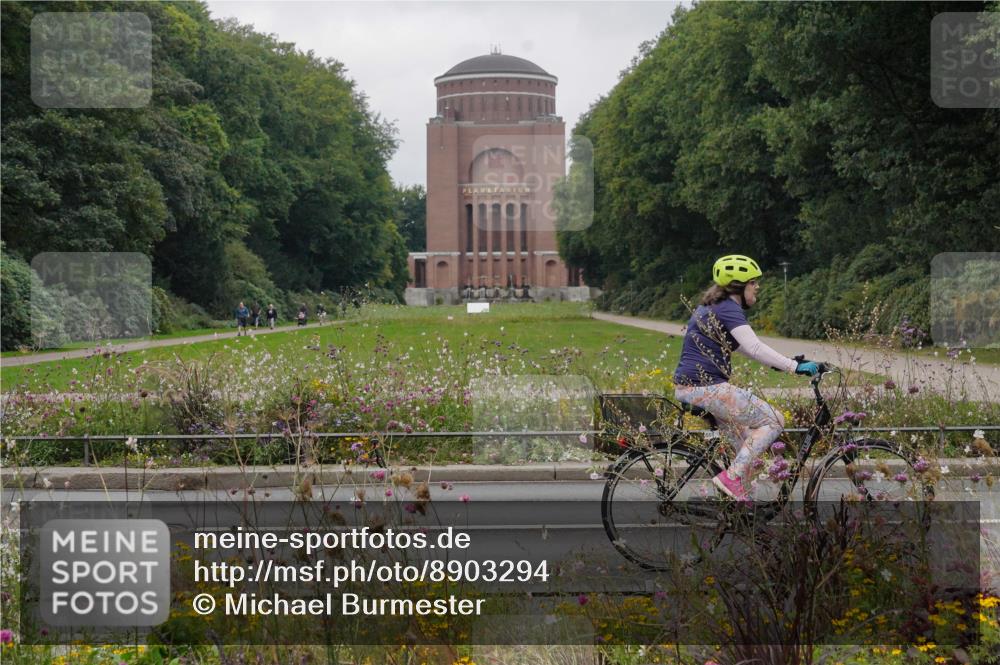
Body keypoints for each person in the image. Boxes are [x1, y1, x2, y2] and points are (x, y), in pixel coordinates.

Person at [672, 254, 820, 502]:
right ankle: (731, 478)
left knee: (746, 453)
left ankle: (744, 514)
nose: (757, 287)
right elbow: (755, 347)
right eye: (753, 282)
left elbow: (739, 347)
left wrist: (783, 364)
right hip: (706, 387)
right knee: (774, 420)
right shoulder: (728, 308)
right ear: (739, 286)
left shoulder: (711, 307)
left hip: (693, 388)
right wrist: (795, 367)